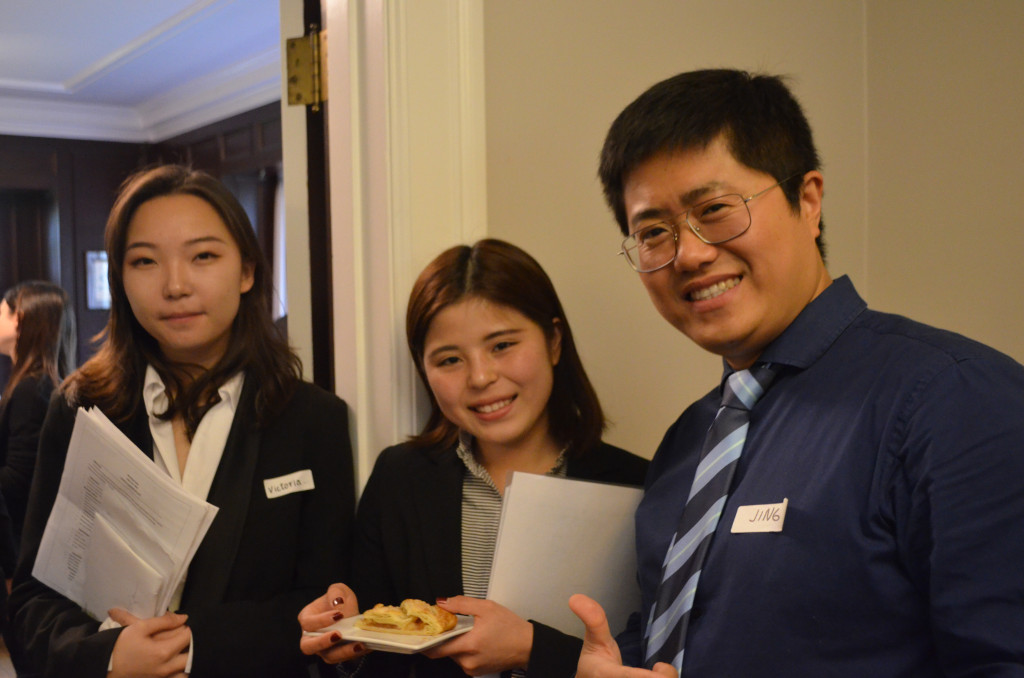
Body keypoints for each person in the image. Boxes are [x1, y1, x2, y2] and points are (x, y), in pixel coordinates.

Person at [569, 69, 1024, 677]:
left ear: (807, 201)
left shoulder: (953, 398)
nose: (692, 253)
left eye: (715, 210)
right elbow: (684, 637)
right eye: (654, 233)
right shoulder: (688, 441)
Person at [10, 165, 356, 678]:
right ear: (120, 280)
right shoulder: (81, 407)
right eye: (145, 261)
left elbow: (329, 603)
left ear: (247, 271)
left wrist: (194, 647)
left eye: (203, 256)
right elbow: (34, 600)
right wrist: (105, 656)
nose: (175, 285)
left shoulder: (312, 419)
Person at [299, 239, 649, 677]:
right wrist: (346, 636)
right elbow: (374, 651)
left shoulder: (635, 484)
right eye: (449, 359)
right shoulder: (400, 478)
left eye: (502, 345)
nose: (481, 377)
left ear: (554, 341)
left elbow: (653, 650)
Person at [0, 280, 76, 546]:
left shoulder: (31, 389)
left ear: (19, 320)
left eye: (1, 313)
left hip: (23, 542)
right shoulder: (36, 384)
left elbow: (18, 481)